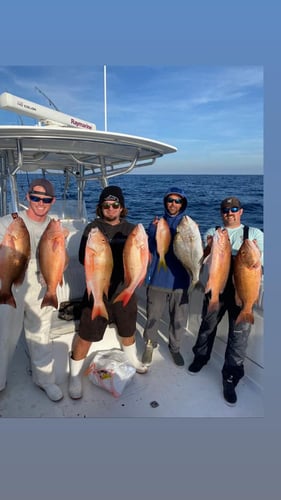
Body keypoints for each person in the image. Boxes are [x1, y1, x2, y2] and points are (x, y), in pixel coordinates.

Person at [68, 185, 147, 400]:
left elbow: (143, 258)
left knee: (128, 330)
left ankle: (133, 361)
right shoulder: (92, 228)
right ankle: (74, 375)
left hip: (124, 291)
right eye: (106, 205)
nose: (111, 209)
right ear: (100, 207)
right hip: (96, 291)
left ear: (122, 208)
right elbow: (85, 259)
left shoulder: (131, 230)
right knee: (86, 335)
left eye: (115, 205)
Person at [188, 196, 264, 406]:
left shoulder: (255, 234)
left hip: (241, 291)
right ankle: (200, 358)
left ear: (241, 211)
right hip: (218, 288)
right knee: (207, 325)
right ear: (221, 213)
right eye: (225, 210)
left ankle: (231, 376)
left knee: (238, 337)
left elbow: (260, 264)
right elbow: (201, 259)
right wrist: (208, 247)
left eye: (234, 209)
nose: (229, 213)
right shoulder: (213, 233)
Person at [0, 178, 64, 402]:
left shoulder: (54, 227)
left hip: (42, 288)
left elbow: (58, 261)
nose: (40, 202)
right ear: (27, 197)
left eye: (46, 199)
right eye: (35, 197)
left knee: (41, 335)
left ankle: (45, 380)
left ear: (52, 201)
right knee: (4, 336)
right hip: (11, 287)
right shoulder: (9, 222)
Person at [141, 187, 191, 367]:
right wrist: (153, 231)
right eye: (170, 200)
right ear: (165, 202)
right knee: (153, 316)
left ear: (182, 204)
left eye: (177, 201)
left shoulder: (187, 223)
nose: (173, 204)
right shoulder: (156, 222)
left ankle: (175, 348)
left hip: (181, 281)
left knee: (178, 319)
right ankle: (149, 344)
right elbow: (149, 247)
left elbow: (192, 250)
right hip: (158, 278)